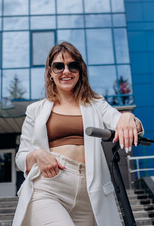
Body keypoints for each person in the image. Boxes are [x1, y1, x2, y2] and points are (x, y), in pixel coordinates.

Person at [12, 42, 143, 226]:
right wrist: (38, 155)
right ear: (50, 72)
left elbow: (123, 123)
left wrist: (129, 118)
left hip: (91, 193)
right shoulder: (36, 110)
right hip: (49, 187)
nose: (66, 71)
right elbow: (21, 158)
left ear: (80, 70)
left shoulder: (97, 104)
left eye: (72, 65)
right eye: (59, 66)